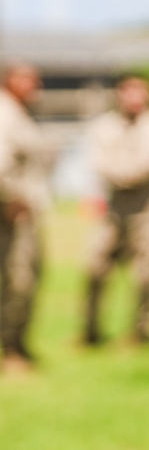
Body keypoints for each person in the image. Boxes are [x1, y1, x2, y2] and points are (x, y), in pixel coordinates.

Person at [82, 73, 149, 346]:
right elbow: (97, 162)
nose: (135, 97)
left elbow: (147, 165)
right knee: (94, 268)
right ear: (119, 94)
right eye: (129, 91)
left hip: (146, 209)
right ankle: (90, 330)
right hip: (112, 209)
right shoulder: (104, 126)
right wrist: (121, 173)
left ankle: (142, 331)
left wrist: (119, 173)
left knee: (147, 273)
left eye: (141, 91)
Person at [0, 62, 53, 374]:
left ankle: (19, 343)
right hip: (12, 211)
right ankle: (12, 349)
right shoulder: (5, 114)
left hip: (24, 208)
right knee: (16, 279)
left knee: (26, 276)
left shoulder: (21, 113)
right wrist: (11, 198)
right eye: (28, 79)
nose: (36, 84)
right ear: (10, 81)